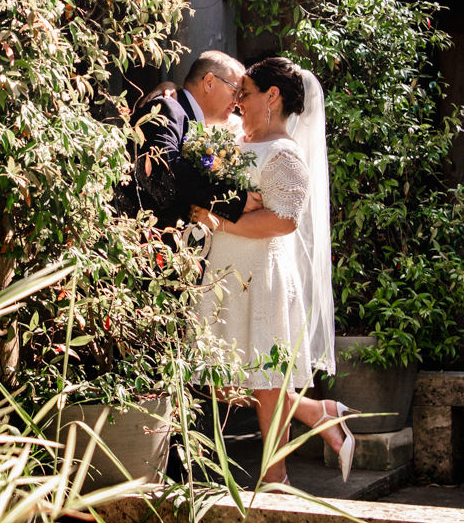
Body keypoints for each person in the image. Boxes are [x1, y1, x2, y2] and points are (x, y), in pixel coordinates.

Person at [191, 57, 355, 486]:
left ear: (273, 96)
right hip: (225, 269)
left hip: (260, 273)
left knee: (264, 373)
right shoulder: (238, 143)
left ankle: (275, 475)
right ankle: (317, 412)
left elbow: (283, 221)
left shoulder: (283, 153)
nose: (238, 102)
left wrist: (221, 220)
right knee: (220, 379)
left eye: (244, 94)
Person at [117, 50, 260, 231]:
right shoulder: (166, 107)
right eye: (235, 91)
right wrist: (235, 200)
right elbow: (168, 167)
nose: (237, 102)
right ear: (208, 82)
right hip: (144, 234)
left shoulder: (198, 120)